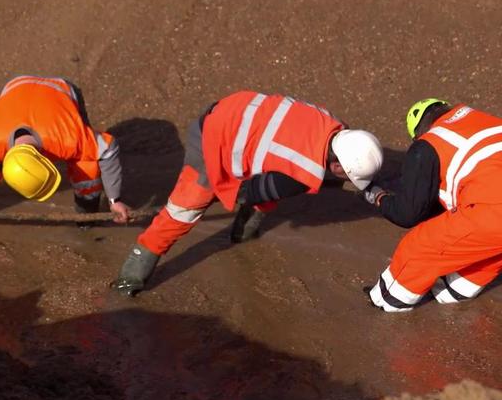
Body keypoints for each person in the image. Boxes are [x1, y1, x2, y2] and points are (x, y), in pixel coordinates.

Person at [112, 90, 383, 296]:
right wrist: (227, 191)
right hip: (213, 138)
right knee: (183, 211)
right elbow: (253, 191)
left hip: (238, 112)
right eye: (347, 176)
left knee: (270, 188)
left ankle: (243, 232)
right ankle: (132, 276)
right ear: (336, 165)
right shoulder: (303, 172)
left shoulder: (336, 127)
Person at [0, 75, 130, 223]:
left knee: (86, 165)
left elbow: (109, 149)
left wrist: (114, 200)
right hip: (16, 87)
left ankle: (87, 214)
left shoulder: (69, 138)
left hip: (62, 90)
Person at [364, 98, 502, 312]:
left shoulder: (429, 143)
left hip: (494, 210)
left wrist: (378, 196)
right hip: (493, 218)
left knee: (418, 248)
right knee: (484, 254)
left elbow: (408, 214)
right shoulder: (480, 119)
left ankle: (384, 302)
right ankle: (451, 295)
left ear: (418, 132)